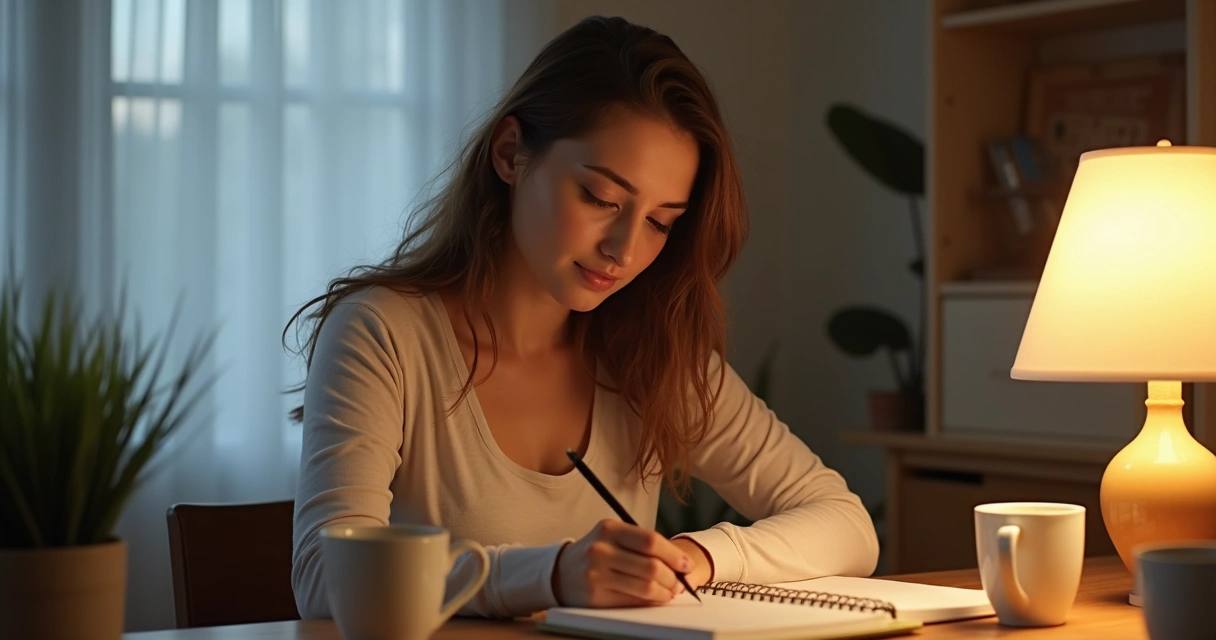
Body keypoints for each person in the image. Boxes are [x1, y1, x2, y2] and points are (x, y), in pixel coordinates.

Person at [286, 15, 878, 620]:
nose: (623, 249)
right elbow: (322, 580)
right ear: (512, 153)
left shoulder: (652, 355)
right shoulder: (383, 333)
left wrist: (694, 556)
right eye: (600, 198)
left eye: (659, 222)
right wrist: (553, 574)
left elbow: (846, 524)